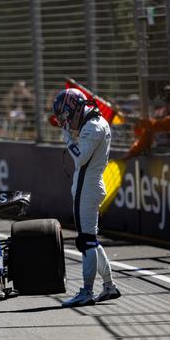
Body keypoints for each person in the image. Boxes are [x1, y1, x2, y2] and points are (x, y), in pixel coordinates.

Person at [51, 88, 121, 307]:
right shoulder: (97, 123)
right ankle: (109, 285)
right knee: (91, 239)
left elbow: (80, 158)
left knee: (86, 241)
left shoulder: (92, 127)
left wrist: (66, 138)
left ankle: (87, 291)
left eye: (65, 116)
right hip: (91, 184)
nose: (66, 122)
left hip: (87, 187)